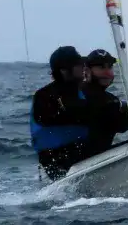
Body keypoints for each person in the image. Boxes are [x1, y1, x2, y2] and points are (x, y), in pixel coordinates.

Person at [29, 46, 95, 180]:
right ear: (64, 70)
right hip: (56, 158)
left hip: (82, 151)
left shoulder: (82, 91)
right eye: (79, 64)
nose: (83, 67)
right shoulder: (44, 95)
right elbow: (67, 115)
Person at [81, 49, 128, 155]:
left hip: (97, 157)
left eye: (110, 67)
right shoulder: (84, 96)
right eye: (101, 67)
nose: (107, 72)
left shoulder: (109, 98)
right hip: (87, 161)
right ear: (87, 70)